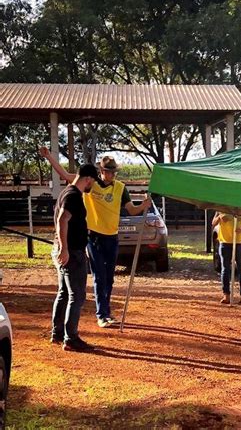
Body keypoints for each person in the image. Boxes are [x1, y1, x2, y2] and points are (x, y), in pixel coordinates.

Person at [40, 147, 151, 328]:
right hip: (94, 237)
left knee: (109, 277)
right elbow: (67, 176)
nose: (111, 175)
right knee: (99, 276)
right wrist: (49, 157)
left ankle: (106, 311)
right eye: (108, 172)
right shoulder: (91, 185)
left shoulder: (121, 188)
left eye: (114, 172)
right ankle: (102, 314)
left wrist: (144, 205)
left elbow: (131, 209)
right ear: (101, 172)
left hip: (112, 237)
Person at [51, 164, 98, 351]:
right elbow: (62, 219)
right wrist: (65, 248)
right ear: (87, 179)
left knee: (64, 292)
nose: (92, 185)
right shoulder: (73, 196)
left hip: (65, 250)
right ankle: (70, 338)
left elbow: (61, 220)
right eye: (93, 181)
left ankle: (58, 332)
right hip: (71, 252)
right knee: (76, 295)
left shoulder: (66, 192)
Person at [212, 212, 241, 305]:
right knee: (225, 269)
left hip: (240, 243)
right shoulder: (221, 208)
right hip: (225, 242)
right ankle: (226, 294)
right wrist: (219, 218)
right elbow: (213, 223)